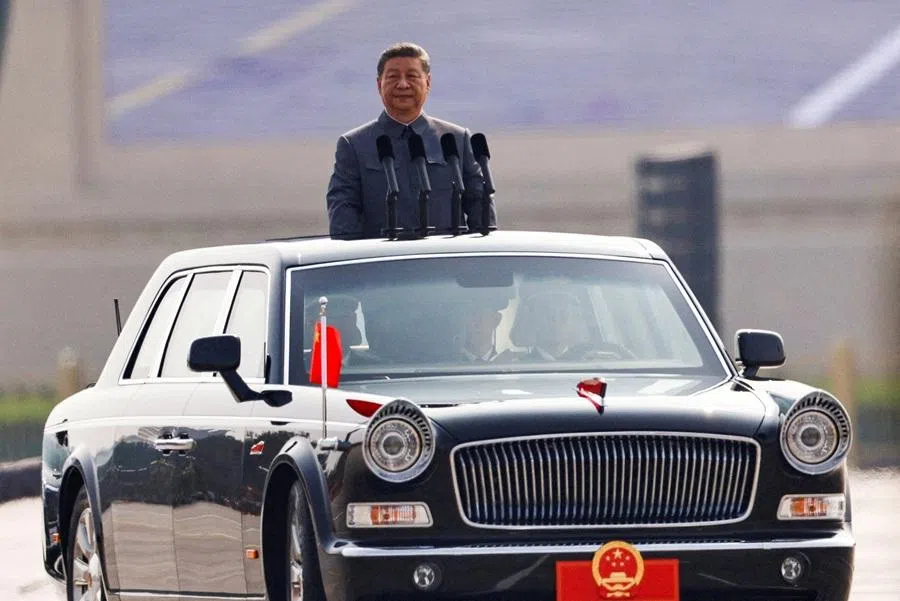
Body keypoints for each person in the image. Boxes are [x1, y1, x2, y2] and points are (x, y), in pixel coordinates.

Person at [326, 42, 497, 239]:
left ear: (428, 82)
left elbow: (481, 212)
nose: (403, 84)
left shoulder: (456, 140)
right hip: (382, 257)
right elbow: (343, 217)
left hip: (445, 256)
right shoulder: (354, 145)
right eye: (393, 77)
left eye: (412, 76)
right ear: (379, 84)